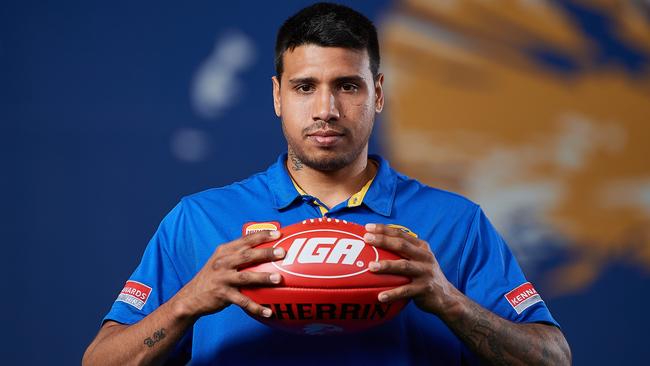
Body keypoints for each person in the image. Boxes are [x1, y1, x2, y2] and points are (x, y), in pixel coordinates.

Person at [83, 3, 571, 365]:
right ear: (277, 96)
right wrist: (191, 299)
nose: (326, 110)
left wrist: (449, 300)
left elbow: (553, 358)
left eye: (347, 85)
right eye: (304, 87)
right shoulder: (199, 220)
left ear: (377, 94)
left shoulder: (455, 222)